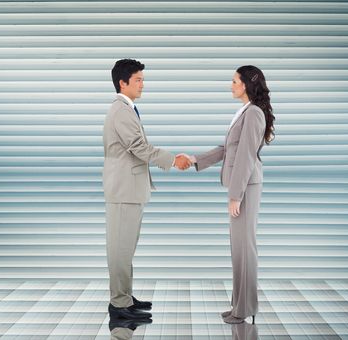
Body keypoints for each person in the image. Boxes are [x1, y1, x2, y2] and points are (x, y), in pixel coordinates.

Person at [184, 65, 275, 324]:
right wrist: (195, 159)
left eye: (234, 81)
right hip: (242, 187)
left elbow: (246, 156)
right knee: (238, 249)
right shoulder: (245, 112)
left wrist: (236, 195)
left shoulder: (254, 113)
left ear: (246, 84)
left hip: (245, 188)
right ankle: (239, 305)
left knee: (245, 250)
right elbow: (228, 149)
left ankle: (245, 309)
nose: (231, 85)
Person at [103, 59, 192, 320]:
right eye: (138, 79)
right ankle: (119, 305)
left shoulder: (127, 109)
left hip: (129, 190)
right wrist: (172, 159)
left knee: (126, 248)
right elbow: (139, 148)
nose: (143, 84)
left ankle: (125, 298)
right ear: (123, 82)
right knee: (120, 249)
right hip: (123, 190)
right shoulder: (120, 111)